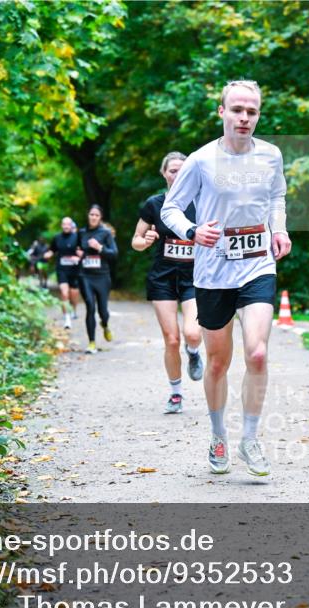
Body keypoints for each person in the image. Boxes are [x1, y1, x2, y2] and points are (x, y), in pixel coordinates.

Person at [161, 80, 291, 477]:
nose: (245, 118)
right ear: (222, 112)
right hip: (214, 270)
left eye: (252, 111)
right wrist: (192, 232)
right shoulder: (201, 160)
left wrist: (279, 229)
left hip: (257, 263)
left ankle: (250, 438)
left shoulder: (271, 155)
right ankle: (218, 434)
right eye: (237, 110)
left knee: (257, 353)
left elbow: (277, 197)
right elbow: (171, 209)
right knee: (218, 363)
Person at [131, 151, 204, 414]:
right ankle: (175, 394)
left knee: (193, 333)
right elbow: (136, 240)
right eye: (172, 170)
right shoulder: (154, 204)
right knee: (171, 339)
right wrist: (144, 241)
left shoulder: (202, 202)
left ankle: (194, 352)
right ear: (164, 174)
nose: (177, 174)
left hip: (194, 278)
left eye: (182, 170)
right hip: (162, 278)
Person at [80, 204, 118, 354]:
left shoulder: (105, 233)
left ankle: (105, 324)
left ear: (100, 217)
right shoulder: (81, 232)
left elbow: (114, 254)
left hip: (102, 276)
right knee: (90, 305)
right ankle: (91, 342)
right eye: (91, 214)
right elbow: (78, 249)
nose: (93, 217)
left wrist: (99, 247)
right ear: (88, 216)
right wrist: (78, 253)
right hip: (85, 275)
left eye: (96, 215)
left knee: (103, 310)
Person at [42, 217, 83, 329]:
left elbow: (83, 252)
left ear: (71, 225)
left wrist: (78, 256)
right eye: (64, 224)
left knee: (73, 294)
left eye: (68, 224)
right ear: (61, 225)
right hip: (62, 269)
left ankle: (74, 310)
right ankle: (67, 318)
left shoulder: (77, 237)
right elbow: (52, 249)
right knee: (64, 293)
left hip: (75, 270)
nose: (66, 226)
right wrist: (48, 254)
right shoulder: (57, 238)